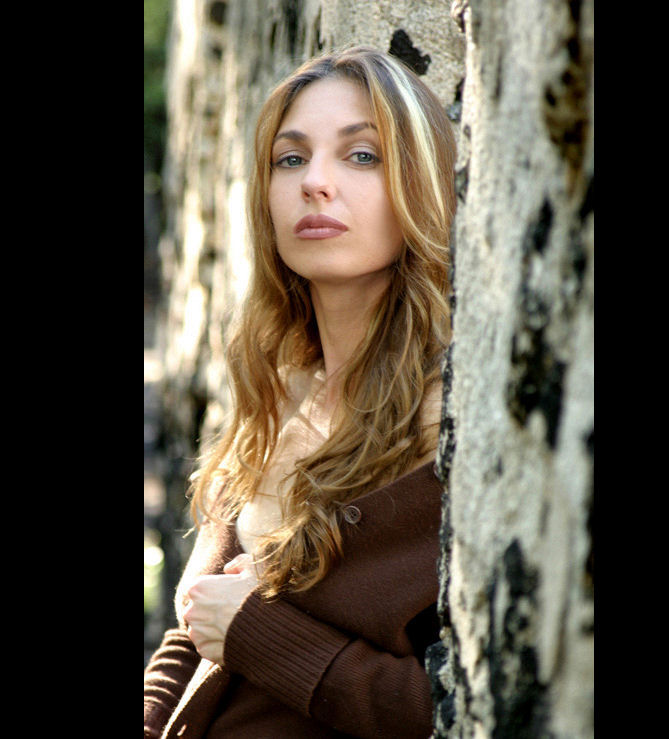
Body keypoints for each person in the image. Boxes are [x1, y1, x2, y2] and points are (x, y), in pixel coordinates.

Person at [144, 45, 457, 738]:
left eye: (362, 156)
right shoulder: (276, 388)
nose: (315, 182)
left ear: (421, 183)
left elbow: (463, 711)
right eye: (289, 159)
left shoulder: (452, 426)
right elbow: (194, 627)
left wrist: (264, 638)